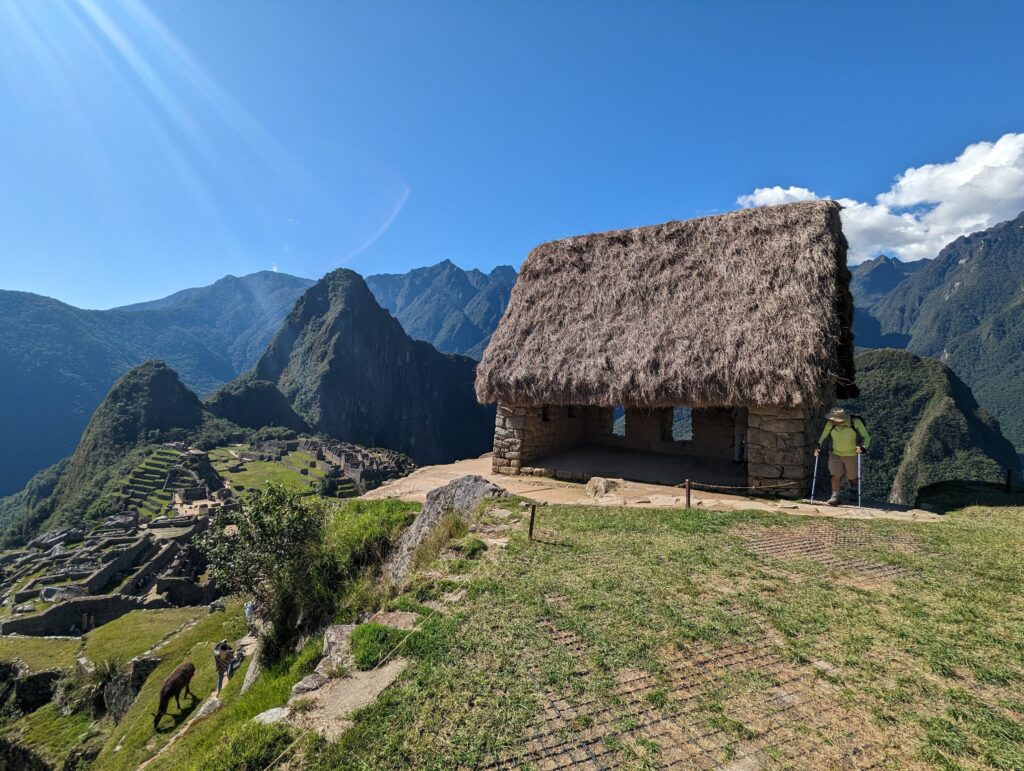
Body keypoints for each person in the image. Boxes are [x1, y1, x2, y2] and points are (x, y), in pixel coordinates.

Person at [814, 407, 870, 506]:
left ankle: (854, 490)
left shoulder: (855, 422)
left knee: (852, 476)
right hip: (835, 453)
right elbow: (823, 435)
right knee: (835, 474)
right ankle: (835, 496)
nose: (831, 421)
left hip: (851, 454)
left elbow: (866, 436)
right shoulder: (831, 424)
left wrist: (863, 448)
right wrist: (818, 445)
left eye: (834, 419)